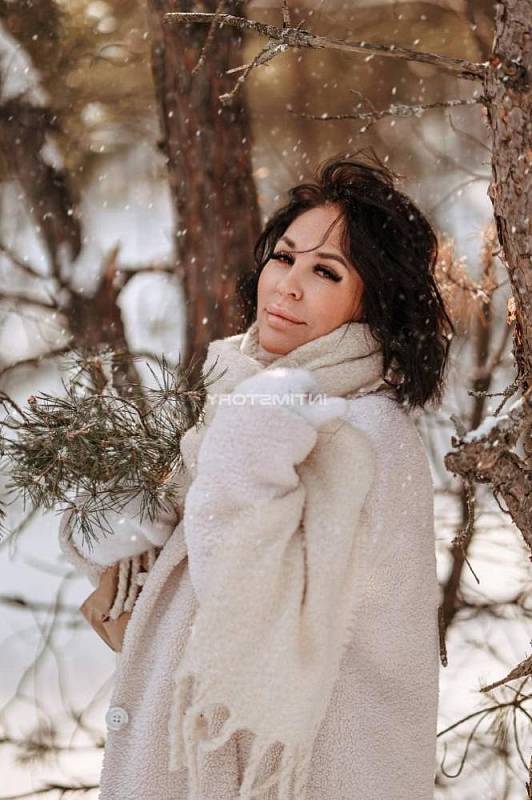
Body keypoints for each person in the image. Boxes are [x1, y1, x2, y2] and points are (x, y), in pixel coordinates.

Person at [59, 150, 454, 800]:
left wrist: (244, 433)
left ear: (375, 301)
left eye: (325, 271)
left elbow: (244, 601)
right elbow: (174, 542)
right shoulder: (247, 396)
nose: (288, 285)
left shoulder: (362, 437)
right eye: (285, 257)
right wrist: (125, 542)